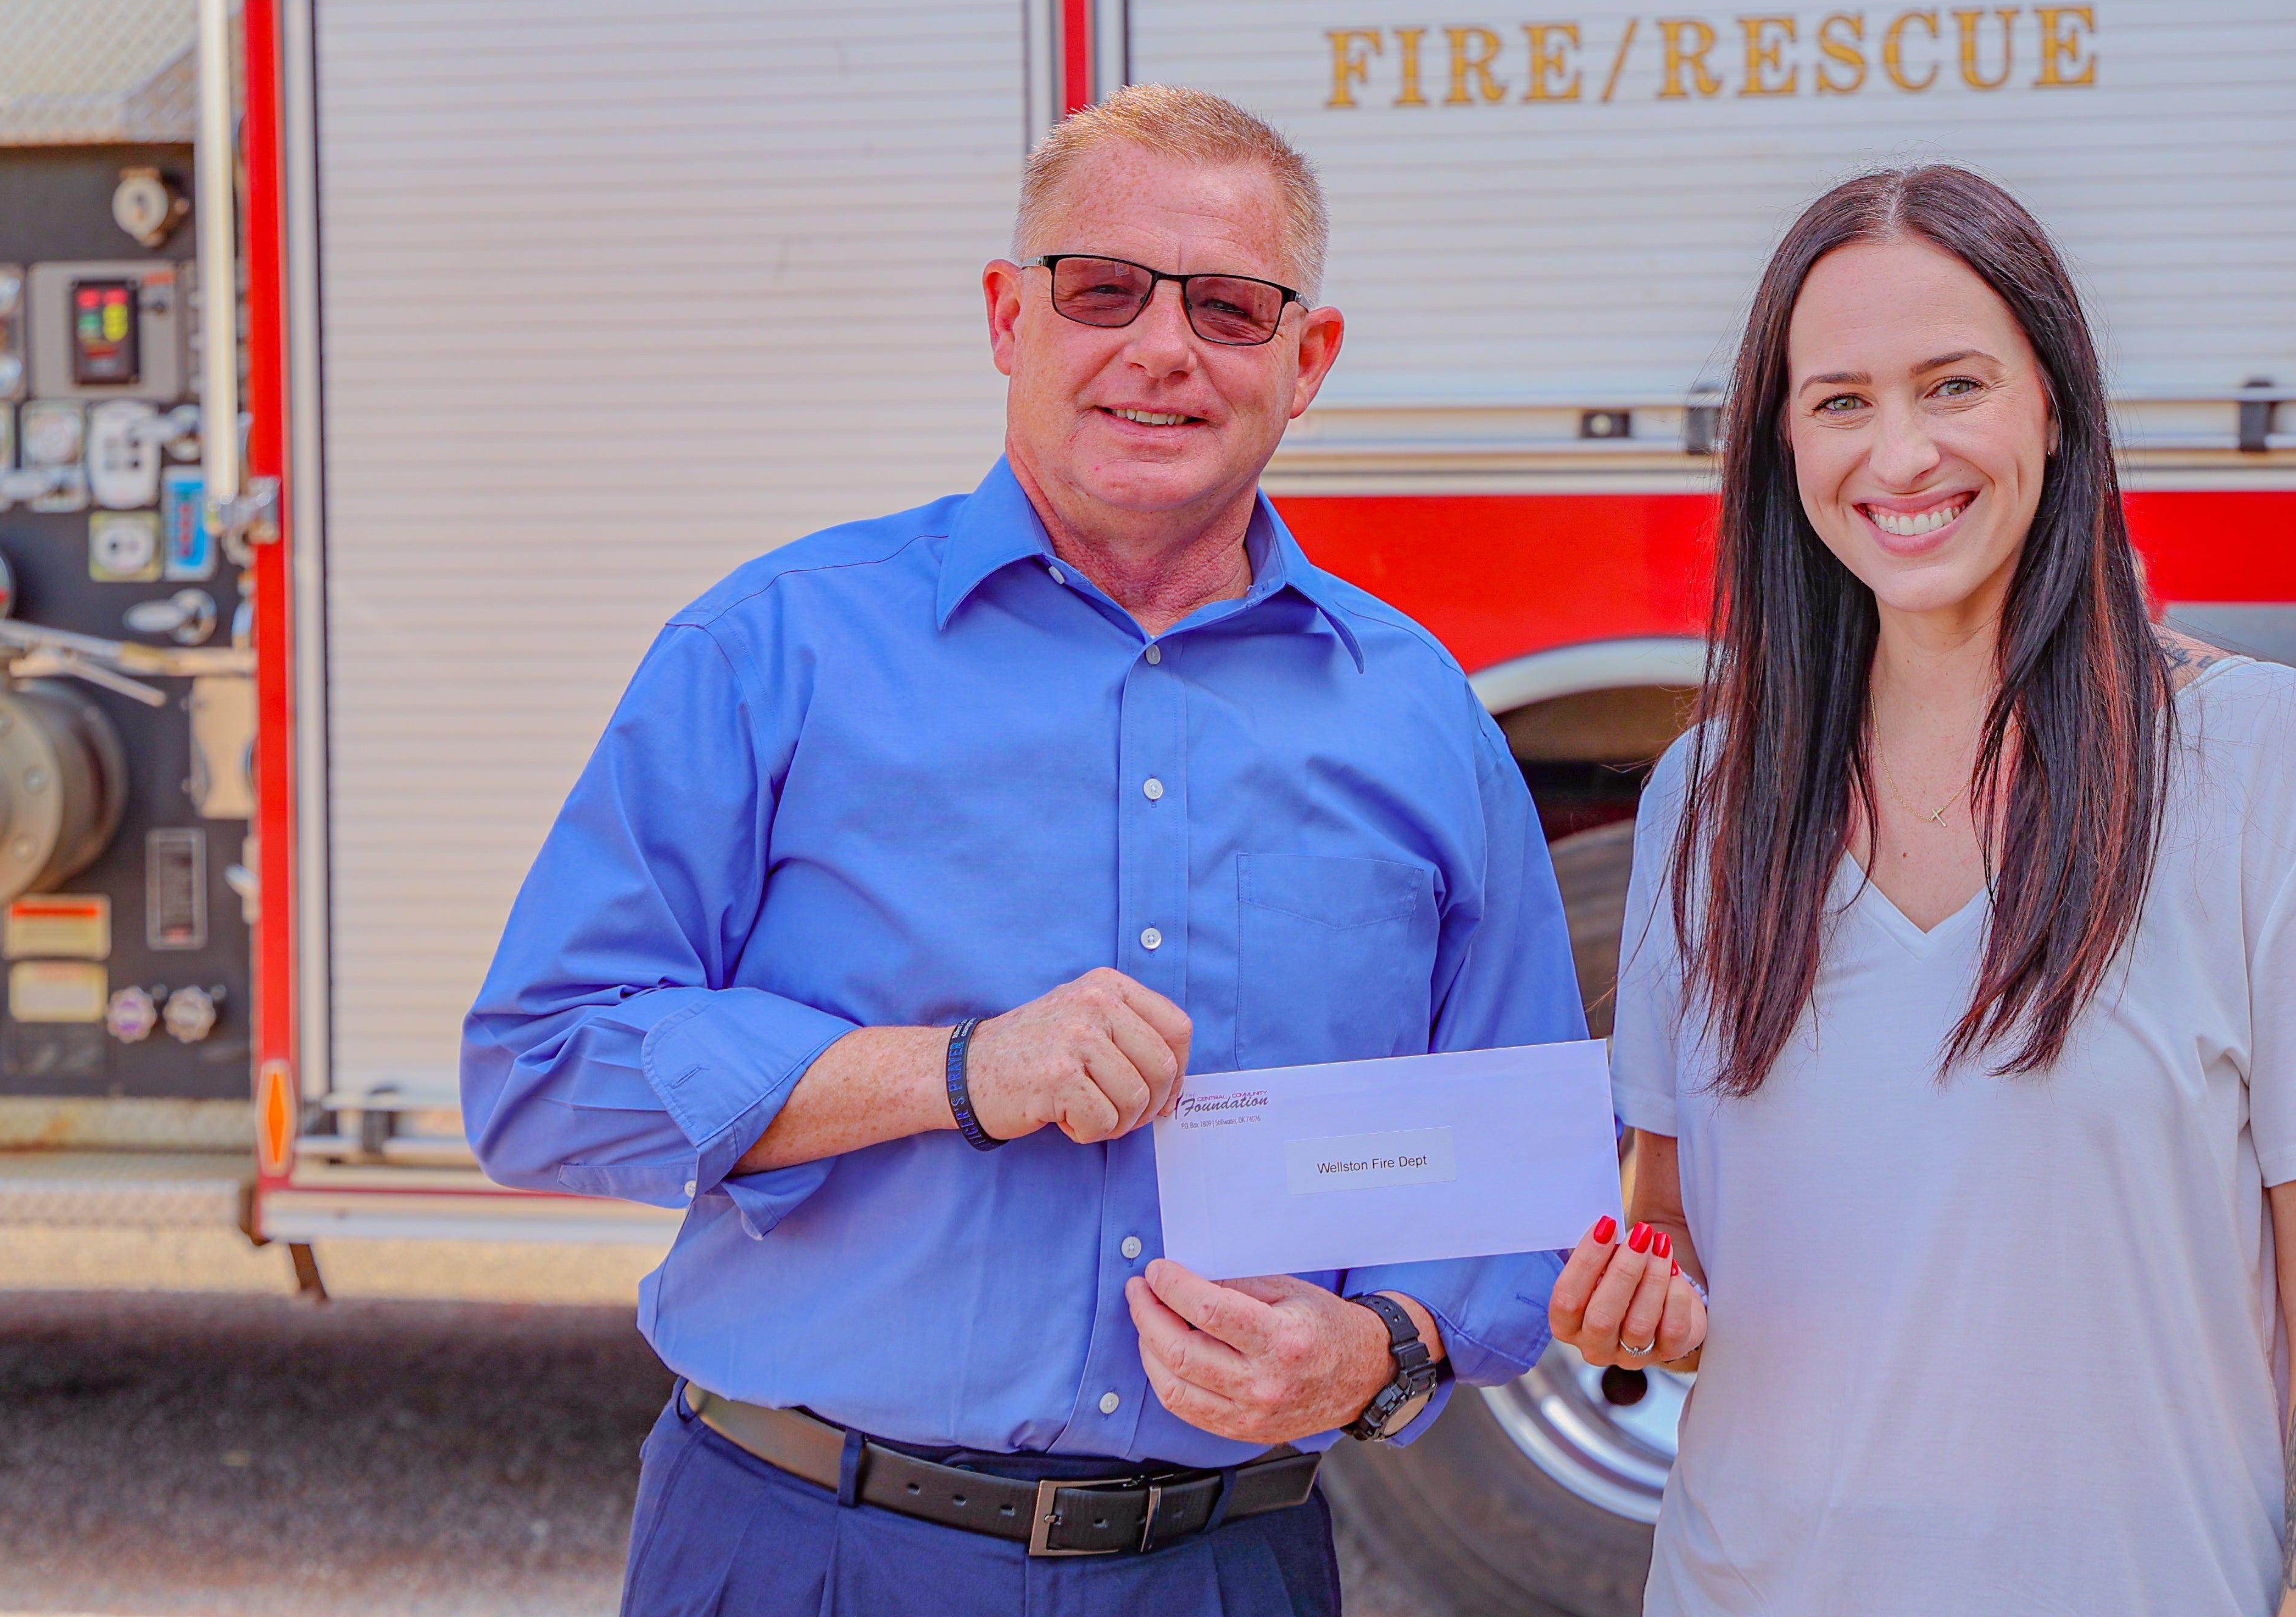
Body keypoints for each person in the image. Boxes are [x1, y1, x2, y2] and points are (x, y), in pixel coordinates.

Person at [463, 86, 1587, 1617]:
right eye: (1103, 290)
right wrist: (951, 1072)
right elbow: (539, 1071)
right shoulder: (774, 650)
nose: (1162, 350)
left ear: (1306, 361)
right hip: (812, 1552)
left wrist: (1385, 1353)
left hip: (1230, 1569)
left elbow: (1511, 1163)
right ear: (1009, 317)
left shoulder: (1416, 716)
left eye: (1233, 307)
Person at [1549, 165, 2296, 1616]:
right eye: (1840, 400)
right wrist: (1630, 1293)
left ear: (2055, 403)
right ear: (1782, 445)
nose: (1898, 454)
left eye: (1953, 385)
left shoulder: (2261, 763)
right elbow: (1672, 1229)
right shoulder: (1705, 802)